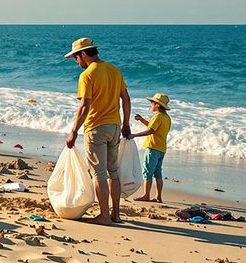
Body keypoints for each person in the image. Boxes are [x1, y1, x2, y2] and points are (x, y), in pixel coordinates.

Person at [64, 38, 131, 225]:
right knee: (113, 172)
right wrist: (126, 123)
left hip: (96, 128)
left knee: (99, 173)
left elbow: (84, 106)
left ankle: (104, 216)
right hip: (115, 126)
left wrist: (73, 131)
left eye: (76, 58)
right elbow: (126, 99)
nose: (76, 62)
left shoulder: (87, 75)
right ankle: (116, 215)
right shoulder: (114, 70)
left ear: (83, 54)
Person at [133, 93, 172, 203]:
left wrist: (134, 135)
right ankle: (158, 196)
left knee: (147, 172)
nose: (151, 105)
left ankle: (146, 195)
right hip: (161, 149)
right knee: (158, 173)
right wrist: (142, 120)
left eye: (152, 103)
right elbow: (153, 126)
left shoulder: (157, 116)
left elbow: (151, 130)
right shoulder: (166, 118)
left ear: (158, 105)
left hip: (153, 147)